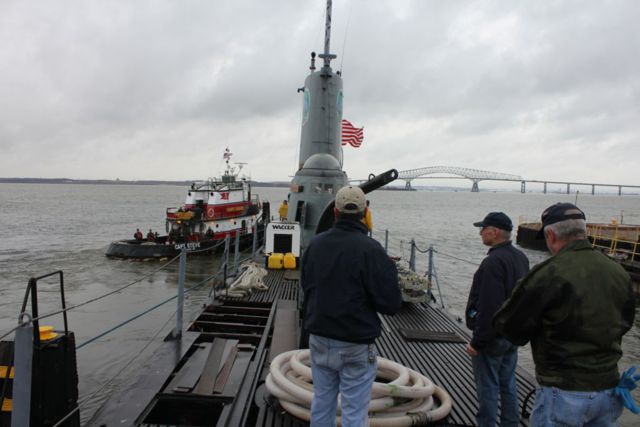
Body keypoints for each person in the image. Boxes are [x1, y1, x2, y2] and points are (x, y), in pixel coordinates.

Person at [494, 203, 636, 426]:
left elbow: (509, 327)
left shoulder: (548, 273)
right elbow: (626, 321)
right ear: (584, 231)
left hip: (563, 393)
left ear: (550, 235)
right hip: (609, 391)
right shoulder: (617, 271)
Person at [301, 186, 402, 426]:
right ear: (364, 212)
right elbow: (391, 304)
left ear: (335, 212)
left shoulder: (315, 244)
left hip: (319, 338)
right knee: (354, 413)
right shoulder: (371, 250)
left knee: (321, 403)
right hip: (355, 343)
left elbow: (306, 285)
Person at [465, 212, 529, 427]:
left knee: (488, 386)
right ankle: (510, 423)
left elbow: (490, 306)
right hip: (512, 335)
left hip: (492, 337)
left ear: (495, 232)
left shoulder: (493, 262)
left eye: (483, 229)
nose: (480, 233)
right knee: (508, 383)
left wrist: (477, 342)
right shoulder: (521, 258)